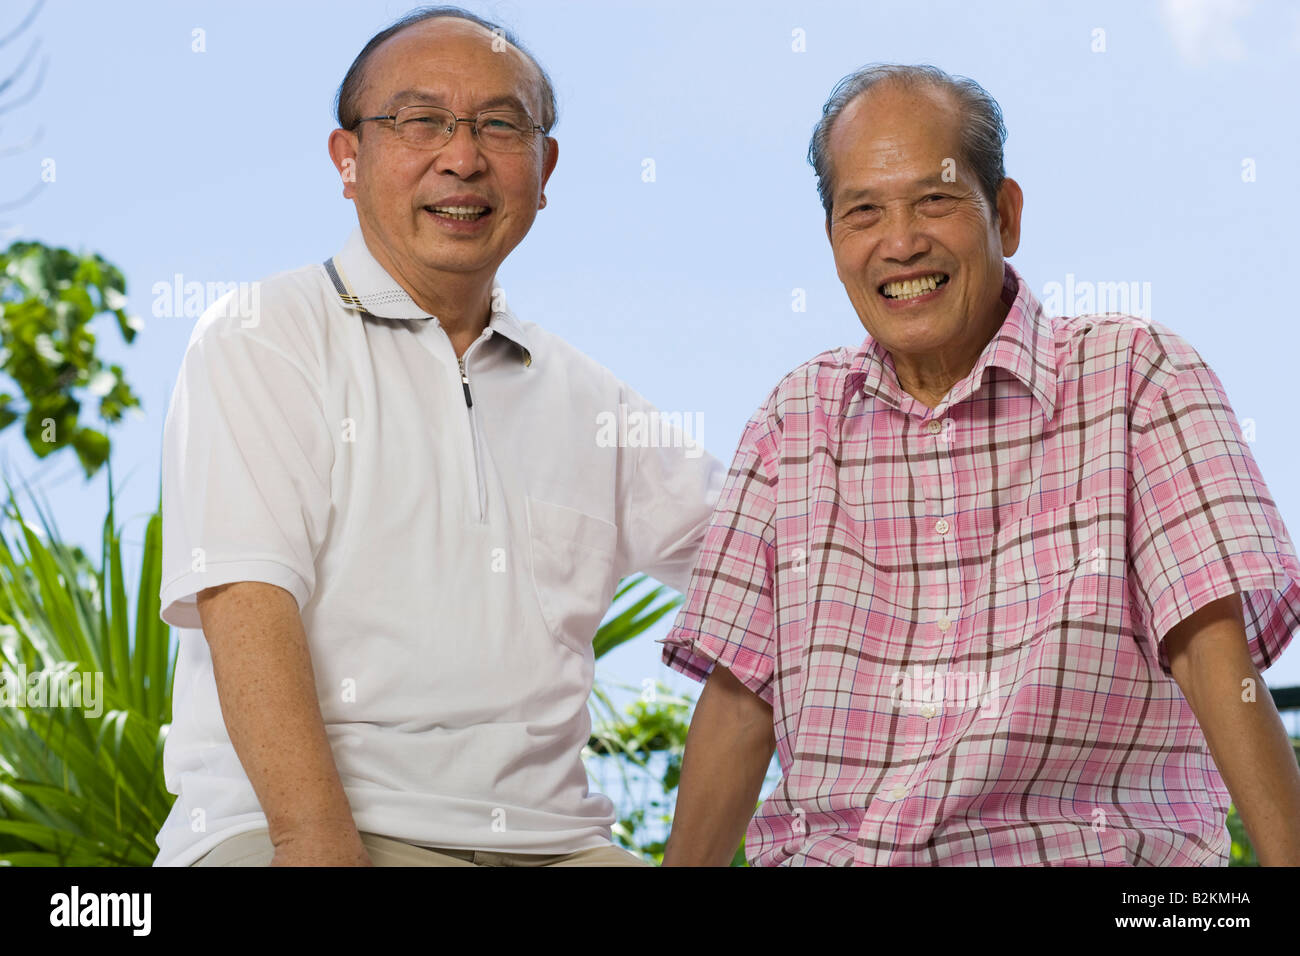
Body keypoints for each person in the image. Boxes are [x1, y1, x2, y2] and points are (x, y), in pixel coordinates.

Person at [659, 63, 1300, 866]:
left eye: (935, 199)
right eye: (864, 212)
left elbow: (1213, 655)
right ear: (834, 244)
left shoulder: (1135, 374)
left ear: (1004, 213)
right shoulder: (795, 419)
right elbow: (738, 703)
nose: (900, 242)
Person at [153, 5, 722, 867]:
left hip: (560, 845)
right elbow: (247, 602)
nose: (463, 157)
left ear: (545, 167)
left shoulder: (592, 399)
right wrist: (316, 846)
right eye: (420, 121)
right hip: (303, 830)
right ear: (348, 158)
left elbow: (773, 552)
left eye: (501, 125)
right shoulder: (263, 333)